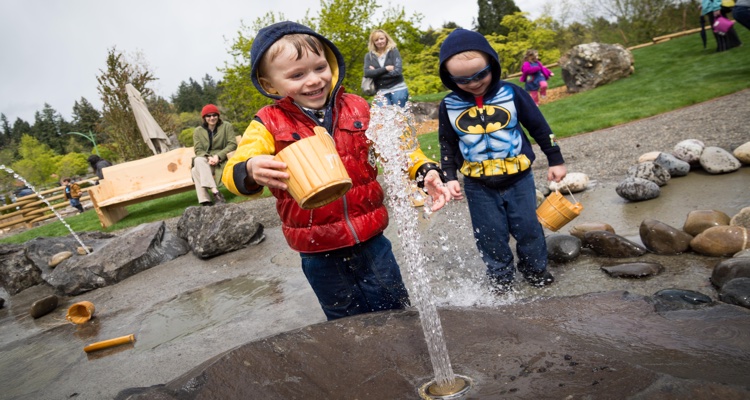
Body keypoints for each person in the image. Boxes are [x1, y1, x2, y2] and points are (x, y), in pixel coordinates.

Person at [222, 21, 451, 321]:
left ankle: (405, 361)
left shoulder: (357, 108)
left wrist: (425, 171)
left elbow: (399, 149)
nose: (314, 80)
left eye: (320, 68)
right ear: (270, 84)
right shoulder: (268, 123)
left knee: (395, 309)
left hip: (371, 239)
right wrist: (249, 170)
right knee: (343, 320)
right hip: (318, 250)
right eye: (297, 75)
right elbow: (231, 173)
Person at [437, 29, 567, 293]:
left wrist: (555, 159)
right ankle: (500, 277)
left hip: (519, 178)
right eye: (463, 79)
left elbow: (540, 128)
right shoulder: (449, 105)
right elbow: (447, 144)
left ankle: (535, 270)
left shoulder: (512, 93)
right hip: (478, 184)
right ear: (448, 77)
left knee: (529, 229)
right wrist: (449, 177)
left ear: (492, 65)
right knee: (489, 235)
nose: (473, 83)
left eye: (480, 74)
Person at [192, 104, 237, 206]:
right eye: (208, 116)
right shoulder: (198, 131)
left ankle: (205, 201)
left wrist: (218, 156)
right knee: (198, 160)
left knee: (195, 170)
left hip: (222, 161)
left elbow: (232, 144)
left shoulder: (226, 126)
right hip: (206, 161)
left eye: (214, 115)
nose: (212, 118)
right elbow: (198, 149)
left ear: (218, 115)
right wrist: (209, 158)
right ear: (204, 118)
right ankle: (215, 192)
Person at [363, 29, 409, 107]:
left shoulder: (393, 51)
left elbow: (398, 72)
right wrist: (386, 69)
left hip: (398, 89)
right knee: (383, 116)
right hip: (381, 91)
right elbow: (367, 73)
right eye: (376, 40)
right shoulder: (369, 56)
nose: (379, 41)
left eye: (381, 38)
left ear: (386, 39)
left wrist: (376, 73)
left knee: (400, 116)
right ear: (373, 42)